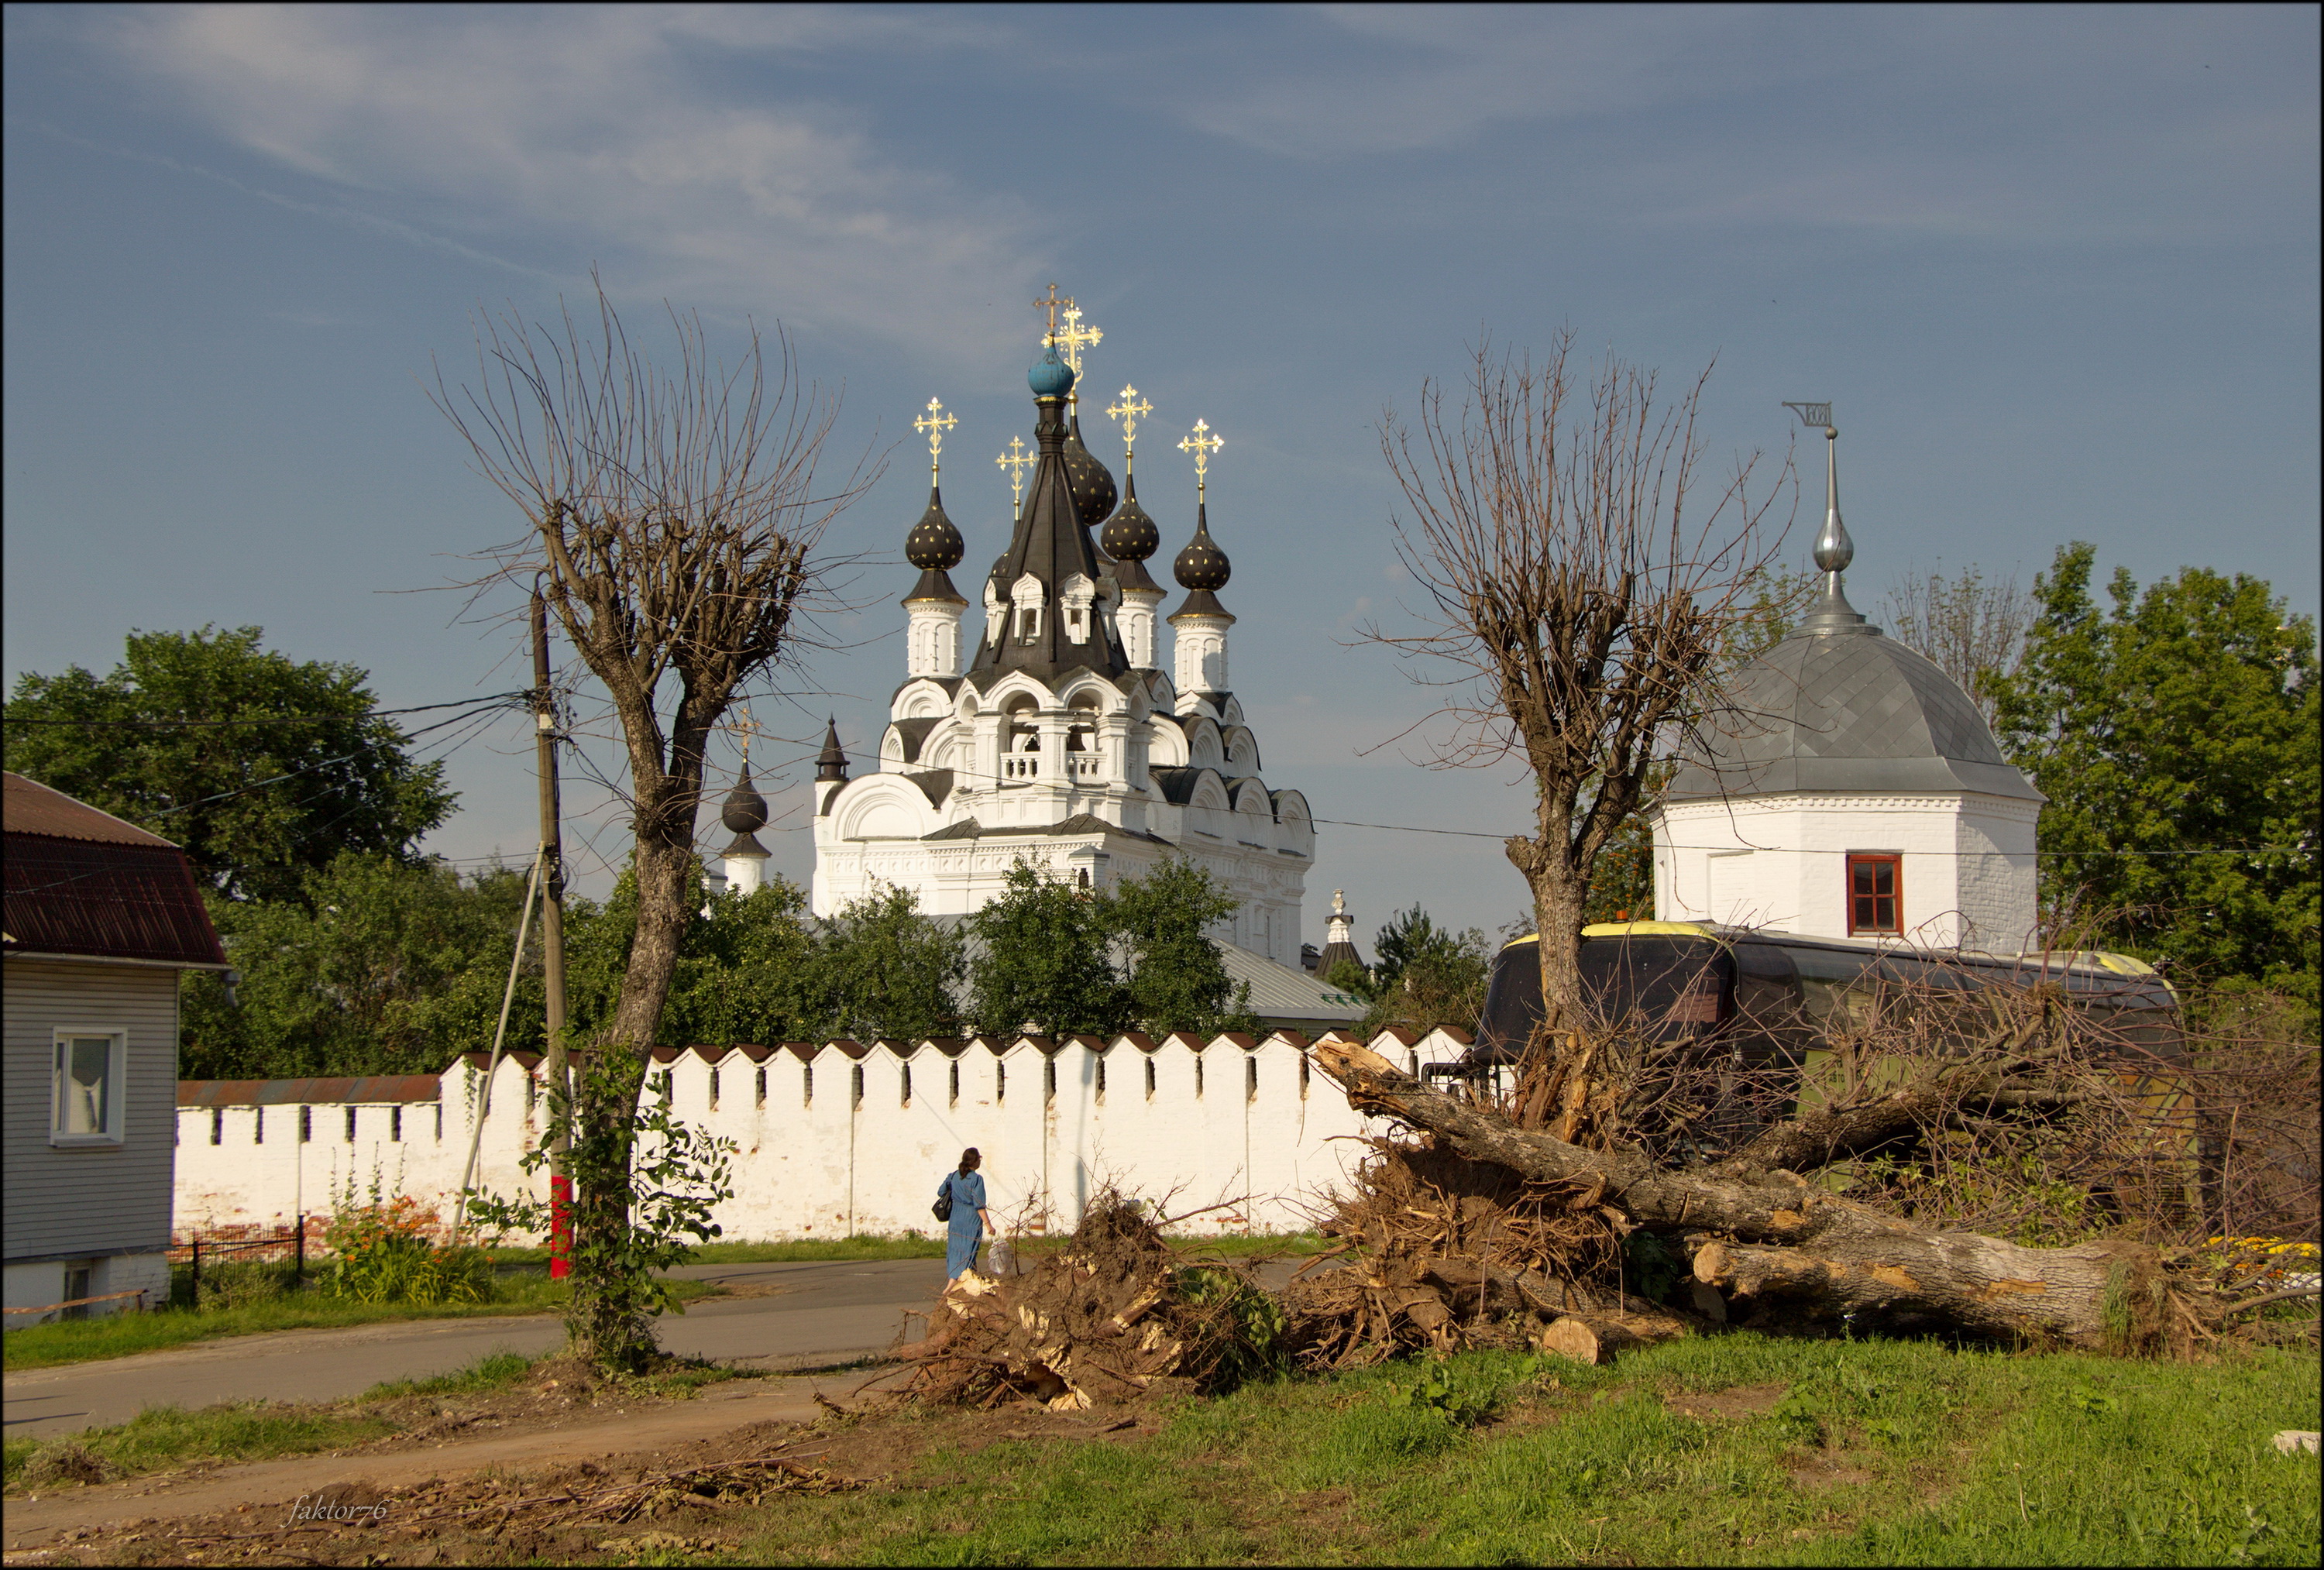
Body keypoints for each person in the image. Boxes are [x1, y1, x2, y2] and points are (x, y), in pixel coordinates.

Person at [939, 1148, 994, 1280]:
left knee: (956, 1251)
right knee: (969, 1252)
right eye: (979, 1158)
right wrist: (989, 1226)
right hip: (971, 1219)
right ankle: (951, 1287)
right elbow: (979, 1206)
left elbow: (941, 1192)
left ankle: (963, 1279)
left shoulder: (953, 1176)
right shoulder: (977, 1179)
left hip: (955, 1217)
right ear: (974, 1161)